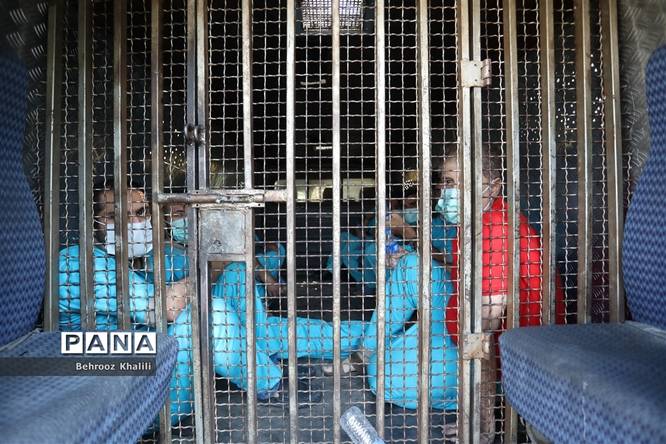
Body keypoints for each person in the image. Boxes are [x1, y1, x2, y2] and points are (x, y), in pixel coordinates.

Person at [58, 178, 366, 428]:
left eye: (140, 213)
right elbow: (170, 308)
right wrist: (202, 271)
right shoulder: (78, 264)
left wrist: (213, 258)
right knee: (210, 314)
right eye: (116, 217)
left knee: (236, 276)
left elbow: (212, 268)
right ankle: (269, 381)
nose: (133, 224)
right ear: (93, 223)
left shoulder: (151, 258)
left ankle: (366, 336)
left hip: (166, 356)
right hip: (126, 388)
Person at [346, 144, 565, 442]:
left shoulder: (495, 231)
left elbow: (482, 336)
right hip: (460, 311)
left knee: (384, 378)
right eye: (446, 183)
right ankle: (371, 346)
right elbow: (464, 270)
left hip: (501, 356)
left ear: (492, 186)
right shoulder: (474, 221)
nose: (449, 192)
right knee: (411, 266)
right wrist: (417, 252)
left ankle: (495, 395)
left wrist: (480, 420)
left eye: (458, 182)